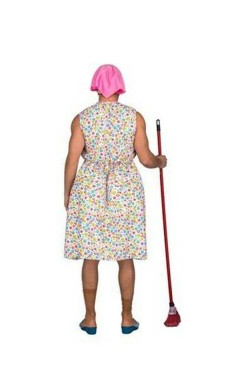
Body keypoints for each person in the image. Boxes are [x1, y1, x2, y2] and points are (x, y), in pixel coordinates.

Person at [63, 64, 167, 335]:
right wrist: (160, 161)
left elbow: (72, 160)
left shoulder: (82, 119)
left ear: (96, 87)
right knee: (125, 256)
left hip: (90, 189)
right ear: (120, 87)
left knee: (90, 256)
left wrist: (67, 193)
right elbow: (146, 159)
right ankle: (127, 317)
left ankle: (90, 318)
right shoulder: (134, 117)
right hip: (125, 191)